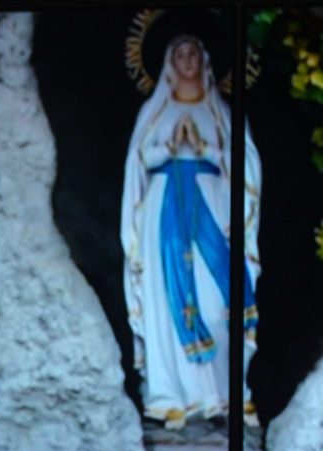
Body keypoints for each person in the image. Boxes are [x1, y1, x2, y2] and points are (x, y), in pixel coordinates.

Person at [120, 36, 261, 430]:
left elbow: (246, 164)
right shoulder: (155, 111)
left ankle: (225, 396)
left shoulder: (222, 112)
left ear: (205, 60)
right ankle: (172, 398)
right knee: (166, 304)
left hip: (212, 209)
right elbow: (138, 161)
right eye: (179, 54)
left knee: (218, 306)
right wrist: (169, 147)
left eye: (193, 53)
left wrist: (204, 149)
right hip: (163, 213)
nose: (187, 60)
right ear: (168, 62)